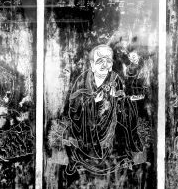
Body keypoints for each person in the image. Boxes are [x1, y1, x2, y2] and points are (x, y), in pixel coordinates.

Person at [52, 44, 148, 177]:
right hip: (85, 128)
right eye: (100, 61)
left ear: (112, 63)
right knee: (71, 136)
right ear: (92, 64)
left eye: (108, 60)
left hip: (110, 126)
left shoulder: (115, 79)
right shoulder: (81, 80)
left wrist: (118, 99)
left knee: (121, 133)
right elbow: (73, 108)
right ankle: (77, 161)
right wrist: (93, 103)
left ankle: (119, 163)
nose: (104, 64)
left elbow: (121, 104)